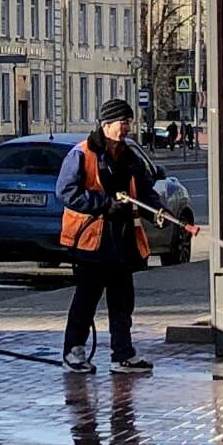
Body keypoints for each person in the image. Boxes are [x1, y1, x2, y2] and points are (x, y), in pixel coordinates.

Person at [55, 98, 161, 375]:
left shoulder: (130, 157)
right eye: (122, 122)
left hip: (122, 240)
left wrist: (157, 211)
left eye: (129, 122)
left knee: (122, 301)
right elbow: (66, 192)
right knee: (86, 299)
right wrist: (104, 203)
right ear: (106, 125)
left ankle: (123, 355)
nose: (127, 127)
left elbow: (146, 192)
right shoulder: (82, 154)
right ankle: (74, 351)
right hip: (92, 240)